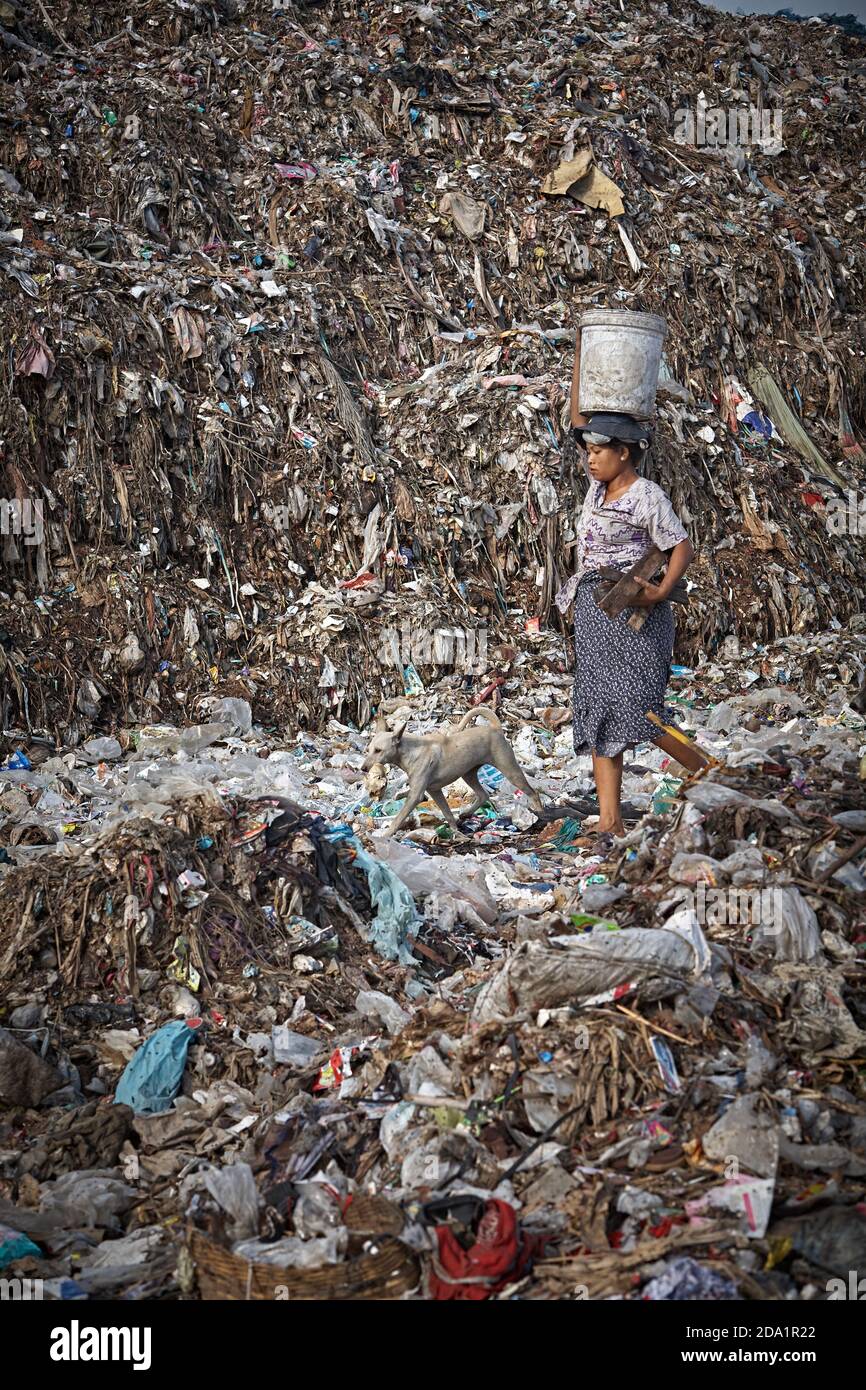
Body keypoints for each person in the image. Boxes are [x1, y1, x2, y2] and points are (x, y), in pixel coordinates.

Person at [559, 326, 701, 840]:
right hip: (598, 612)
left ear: (625, 452)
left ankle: (710, 777)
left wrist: (662, 592)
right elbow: (579, 418)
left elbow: (679, 544)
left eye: (600, 449)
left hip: (637, 617)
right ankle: (611, 819)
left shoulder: (646, 497)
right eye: (588, 450)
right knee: (600, 709)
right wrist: (582, 353)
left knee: (640, 710)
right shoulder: (598, 490)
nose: (590, 457)